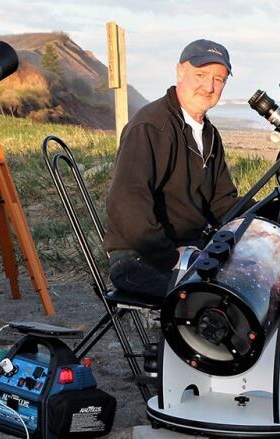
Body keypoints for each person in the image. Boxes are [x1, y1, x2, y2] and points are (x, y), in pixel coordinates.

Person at [103, 39, 248, 299]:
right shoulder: (151, 126)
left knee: (254, 286)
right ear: (180, 71)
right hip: (139, 257)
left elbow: (223, 204)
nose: (209, 86)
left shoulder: (209, 134)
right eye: (201, 75)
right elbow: (126, 203)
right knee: (220, 303)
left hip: (191, 250)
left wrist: (272, 215)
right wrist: (169, 257)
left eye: (219, 79)